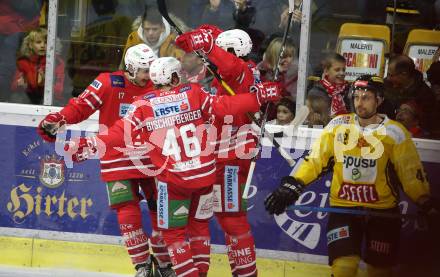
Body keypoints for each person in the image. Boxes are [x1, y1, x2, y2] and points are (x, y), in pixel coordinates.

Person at [63, 56, 281, 277]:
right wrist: (259, 96)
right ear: (175, 76)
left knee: (173, 235)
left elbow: (119, 133)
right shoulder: (194, 93)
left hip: (175, 180)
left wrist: (88, 144)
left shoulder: (143, 105)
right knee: (199, 227)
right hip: (205, 177)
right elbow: (224, 106)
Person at [265, 74, 439, 277]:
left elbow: (410, 174)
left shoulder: (395, 133)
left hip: (382, 212)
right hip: (343, 209)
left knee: (379, 271)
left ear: (379, 100)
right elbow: (315, 160)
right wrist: (293, 184)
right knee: (344, 268)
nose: (360, 102)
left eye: (366, 97)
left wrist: (424, 200)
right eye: (356, 97)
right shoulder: (338, 125)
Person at [37, 44, 174, 277]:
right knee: (126, 210)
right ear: (129, 68)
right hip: (117, 155)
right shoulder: (109, 82)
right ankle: (142, 265)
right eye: (143, 70)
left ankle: (165, 264)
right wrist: (59, 119)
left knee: (161, 210)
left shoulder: (160, 85)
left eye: (150, 68)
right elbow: (81, 107)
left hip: (154, 158)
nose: (147, 74)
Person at [176, 27, 261, 277]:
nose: (216, 56)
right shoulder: (230, 74)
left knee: (231, 218)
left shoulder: (240, 71)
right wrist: (194, 40)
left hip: (232, 156)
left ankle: (246, 274)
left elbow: (229, 65)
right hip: (219, 155)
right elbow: (197, 40)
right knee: (207, 216)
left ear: (234, 51)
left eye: (223, 51)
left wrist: (210, 47)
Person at [381, 54, 436, 135]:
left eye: (391, 75)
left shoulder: (425, 95)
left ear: (404, 74)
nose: (388, 78)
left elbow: (428, 126)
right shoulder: (384, 86)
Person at [10, 27, 64, 104]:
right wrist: (20, 84)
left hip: (49, 100)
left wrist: (45, 83)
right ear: (30, 45)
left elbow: (59, 92)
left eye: (46, 42)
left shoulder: (57, 62)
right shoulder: (24, 61)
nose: (42, 45)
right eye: (38, 42)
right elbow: (13, 87)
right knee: (16, 97)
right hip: (28, 97)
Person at [307, 53, 350, 117]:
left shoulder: (347, 91)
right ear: (326, 71)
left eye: (343, 70)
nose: (342, 73)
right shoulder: (316, 92)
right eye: (337, 70)